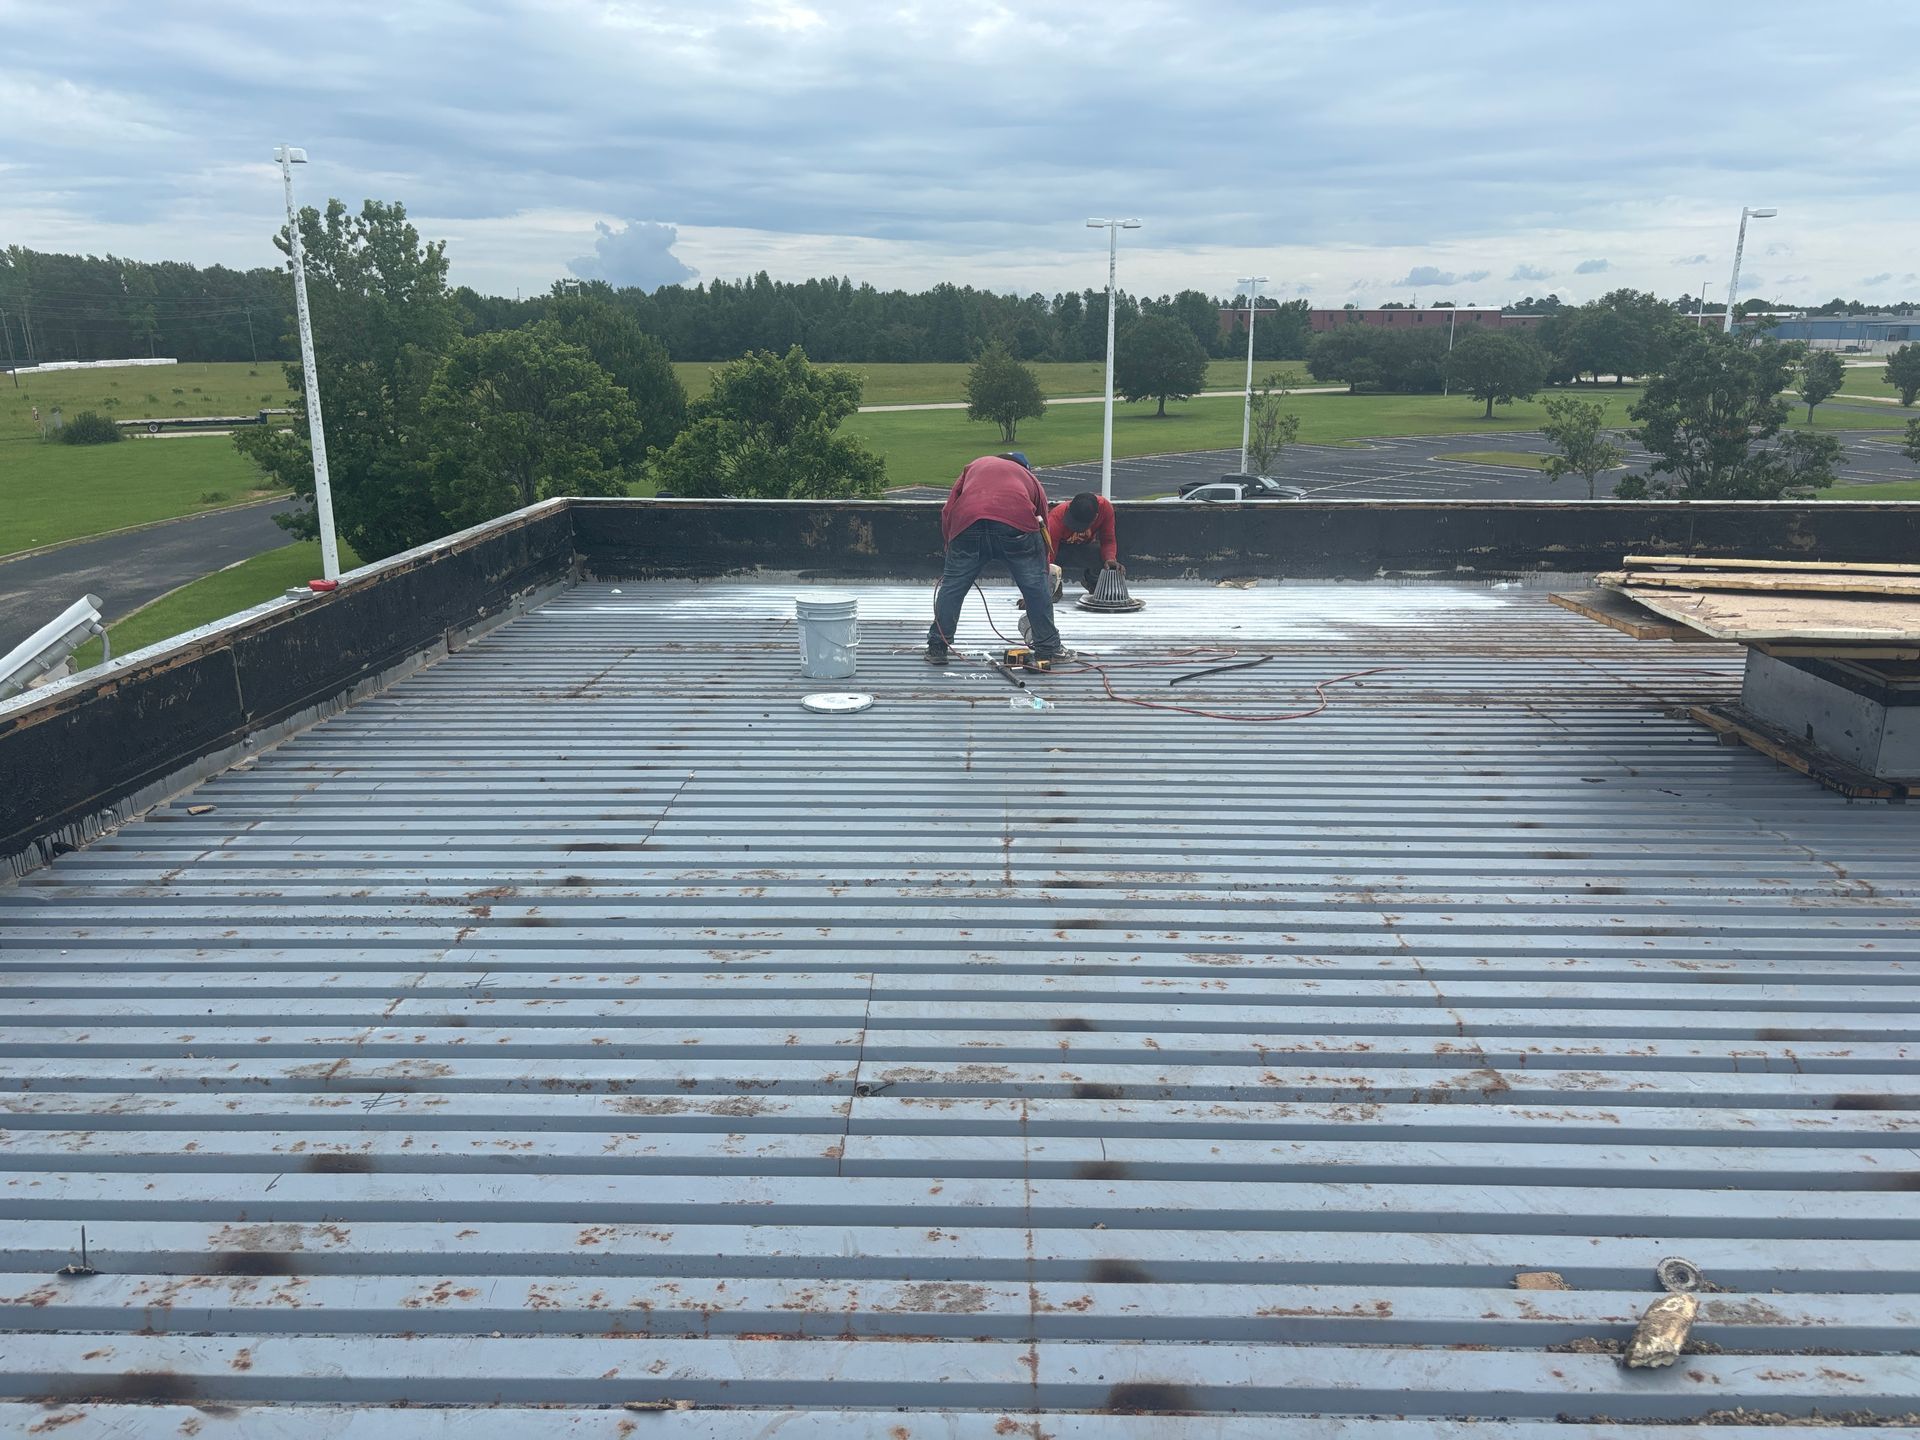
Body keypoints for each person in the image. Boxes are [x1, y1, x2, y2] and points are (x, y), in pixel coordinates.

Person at [926, 453, 1061, 665]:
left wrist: (951, 547)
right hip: (1015, 524)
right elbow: (1043, 521)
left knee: (952, 586)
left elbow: (948, 509)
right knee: (1035, 586)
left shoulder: (976, 465)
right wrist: (1041, 570)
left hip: (968, 524)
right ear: (1025, 467)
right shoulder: (1029, 477)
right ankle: (1048, 649)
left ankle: (937, 647)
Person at [1046, 490, 1121, 596]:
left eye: (1079, 525)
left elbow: (1108, 539)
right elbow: (1048, 554)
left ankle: (1093, 582)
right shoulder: (1056, 518)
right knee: (1048, 564)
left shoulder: (1105, 509)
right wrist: (1048, 584)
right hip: (1060, 550)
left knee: (1102, 555)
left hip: (1084, 547)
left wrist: (1110, 559)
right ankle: (1055, 585)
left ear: (1095, 517)